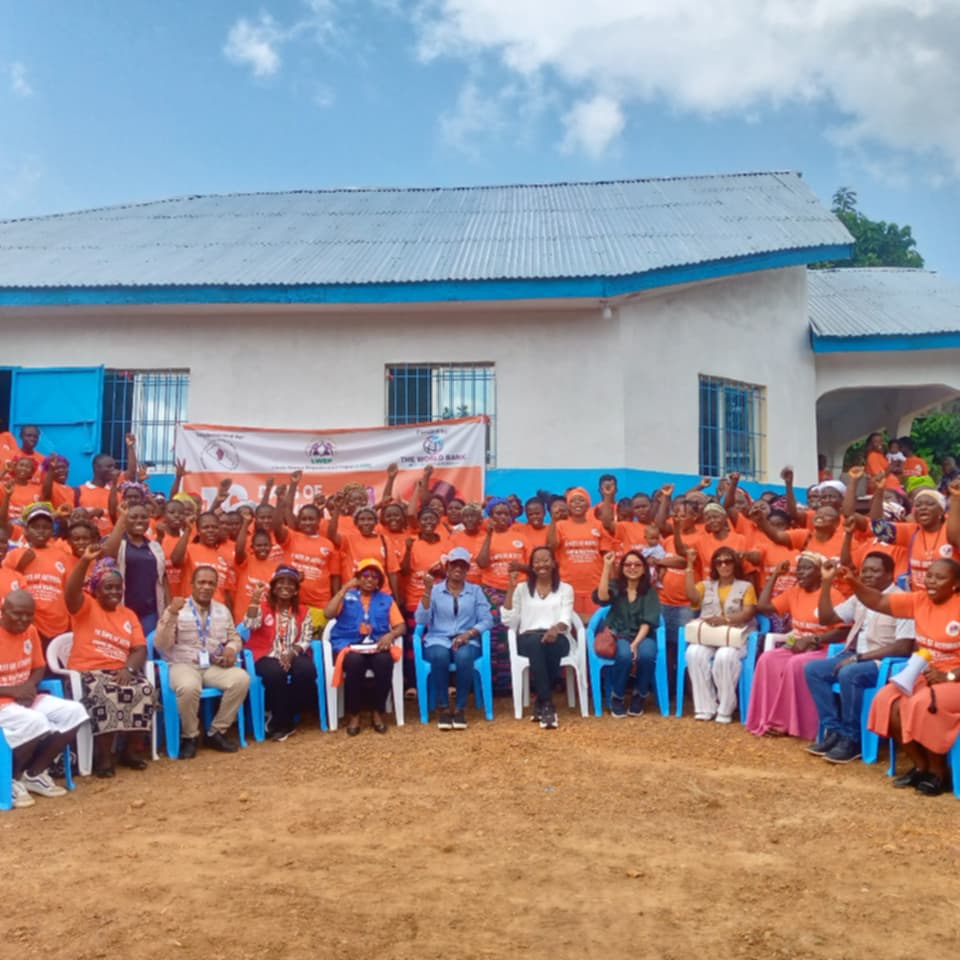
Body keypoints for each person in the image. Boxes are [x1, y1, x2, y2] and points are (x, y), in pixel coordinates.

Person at [852, 558, 960, 796]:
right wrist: (852, 582)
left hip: (954, 679)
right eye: (929, 575)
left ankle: (939, 772)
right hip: (926, 672)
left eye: (940, 577)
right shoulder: (919, 600)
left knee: (923, 704)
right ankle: (920, 766)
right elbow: (878, 601)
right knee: (887, 700)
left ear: (955, 584)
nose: (931, 581)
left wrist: (949, 676)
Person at [804, 555, 914, 764]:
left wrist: (859, 658)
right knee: (813, 670)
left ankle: (852, 739)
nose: (868, 575)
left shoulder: (902, 601)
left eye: (875, 571)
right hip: (855, 656)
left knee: (849, 673)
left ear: (890, 574)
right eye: (865, 571)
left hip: (883, 662)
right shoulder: (860, 596)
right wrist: (826, 582)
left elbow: (903, 647)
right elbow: (826, 619)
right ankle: (834, 731)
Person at [65, 546, 155, 777]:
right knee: (106, 693)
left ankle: (130, 752)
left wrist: (129, 668)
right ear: (96, 590)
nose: (114, 592)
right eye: (108, 587)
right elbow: (71, 592)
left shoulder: (128, 614)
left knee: (145, 689)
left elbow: (139, 648)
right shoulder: (86, 605)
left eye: (118, 587)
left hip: (120, 670)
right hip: (88, 672)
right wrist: (84, 561)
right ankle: (103, 758)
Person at [746, 552, 849, 740]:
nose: (800, 572)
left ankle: (789, 724)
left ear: (819, 573)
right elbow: (763, 606)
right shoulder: (794, 592)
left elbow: (843, 631)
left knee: (796, 664)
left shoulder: (834, 595)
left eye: (807, 568)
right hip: (798, 645)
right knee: (767, 659)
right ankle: (768, 718)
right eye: (799, 569)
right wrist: (775, 575)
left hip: (826, 648)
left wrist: (814, 640)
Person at [0, 589, 87, 807]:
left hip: (26, 698)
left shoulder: (30, 631)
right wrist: (13, 691)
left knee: (75, 712)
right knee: (36, 722)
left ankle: (34, 774)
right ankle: (8, 780)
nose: (23, 619)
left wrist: (29, 686)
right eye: (17, 613)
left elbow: (39, 667)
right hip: (3, 702)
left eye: (29, 615)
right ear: (3, 611)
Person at [153, 565, 249, 757]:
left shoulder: (222, 610)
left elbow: (234, 637)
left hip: (212, 666)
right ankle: (190, 736)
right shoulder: (177, 609)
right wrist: (172, 614)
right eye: (201, 582)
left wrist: (231, 648)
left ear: (215, 586)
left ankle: (216, 731)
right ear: (192, 584)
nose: (206, 587)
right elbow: (161, 644)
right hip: (182, 664)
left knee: (241, 679)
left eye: (211, 583)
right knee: (189, 687)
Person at [323, 558, 406, 736]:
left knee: (384, 662)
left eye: (375, 576)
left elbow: (401, 626)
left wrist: (390, 635)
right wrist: (344, 589)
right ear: (358, 578)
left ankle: (377, 712)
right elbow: (328, 614)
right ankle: (354, 714)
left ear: (379, 581)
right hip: (349, 645)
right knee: (354, 662)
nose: (369, 579)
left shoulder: (386, 599)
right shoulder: (346, 596)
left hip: (377, 645)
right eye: (365, 575)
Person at [414, 546, 493, 730]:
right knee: (439, 656)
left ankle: (459, 708)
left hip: (467, 639)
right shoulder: (434, 591)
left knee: (464, 657)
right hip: (438, 638)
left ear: (467, 569)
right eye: (454, 565)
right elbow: (421, 620)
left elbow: (487, 619)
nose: (458, 569)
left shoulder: (475, 591)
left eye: (462, 566)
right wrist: (427, 591)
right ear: (447, 568)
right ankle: (443, 708)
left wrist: (469, 633)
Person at [501, 546, 574, 730]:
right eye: (537, 561)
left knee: (550, 645)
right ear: (532, 566)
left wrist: (555, 629)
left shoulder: (565, 589)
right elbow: (509, 620)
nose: (542, 565)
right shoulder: (521, 589)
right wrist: (510, 588)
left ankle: (541, 702)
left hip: (557, 635)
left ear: (554, 564)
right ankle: (547, 703)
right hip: (528, 637)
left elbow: (566, 619)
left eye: (546, 560)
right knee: (536, 644)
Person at [242, 566, 318, 741]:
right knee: (276, 673)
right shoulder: (262, 607)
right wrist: (255, 599)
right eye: (281, 582)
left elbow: (306, 638)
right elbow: (250, 625)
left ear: (296, 590)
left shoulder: (304, 611)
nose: (285, 586)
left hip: (292, 652)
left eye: (291, 583)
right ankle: (282, 723)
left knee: (307, 671)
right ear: (274, 588)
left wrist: (291, 654)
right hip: (265, 654)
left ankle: (284, 715)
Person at [683, 546, 758, 723]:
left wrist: (725, 620)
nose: (723, 565)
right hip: (709, 636)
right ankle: (705, 707)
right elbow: (692, 597)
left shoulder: (746, 587)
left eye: (728, 561)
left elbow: (748, 613)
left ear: (735, 564)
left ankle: (725, 707)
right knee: (693, 653)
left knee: (724, 657)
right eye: (719, 562)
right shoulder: (705, 585)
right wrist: (690, 565)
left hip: (734, 637)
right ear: (714, 566)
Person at [593, 550, 662, 717]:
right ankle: (617, 696)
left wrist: (636, 643)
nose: (632, 567)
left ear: (644, 569)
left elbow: (647, 622)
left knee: (647, 655)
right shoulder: (616, 586)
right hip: (619, 634)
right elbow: (602, 597)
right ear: (622, 567)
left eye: (637, 564)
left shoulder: (650, 591)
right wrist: (606, 567)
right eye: (628, 564)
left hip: (644, 635)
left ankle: (640, 695)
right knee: (624, 655)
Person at [1, 503, 70, 644]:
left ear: (52, 531)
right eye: (35, 527)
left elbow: (68, 590)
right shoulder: (14, 555)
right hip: (27, 623)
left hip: (58, 624)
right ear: (26, 531)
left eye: (46, 527)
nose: (41, 531)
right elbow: (7, 584)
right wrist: (21, 565)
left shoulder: (62, 556)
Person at [274, 474, 341, 614]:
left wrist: (335, 601)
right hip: (292, 602)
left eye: (311, 519)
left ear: (319, 521)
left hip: (320, 604)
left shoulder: (328, 544)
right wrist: (280, 503)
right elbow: (277, 527)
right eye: (304, 519)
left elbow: (335, 576)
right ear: (299, 521)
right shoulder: (291, 537)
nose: (307, 522)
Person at [102, 502, 170, 634]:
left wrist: (168, 609)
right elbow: (108, 554)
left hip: (149, 613)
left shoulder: (154, 547)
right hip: (121, 608)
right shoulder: (115, 542)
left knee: (147, 645)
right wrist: (122, 518)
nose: (139, 520)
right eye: (133, 517)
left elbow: (163, 578)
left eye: (143, 517)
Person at [548, 487, 606, 619]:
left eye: (581, 500)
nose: (577, 503)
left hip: (595, 586)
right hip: (568, 586)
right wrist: (553, 521)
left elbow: (606, 555)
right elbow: (551, 546)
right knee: (570, 624)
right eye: (573, 501)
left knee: (595, 624)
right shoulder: (560, 526)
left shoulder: (598, 525)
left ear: (588, 504)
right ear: (568, 505)